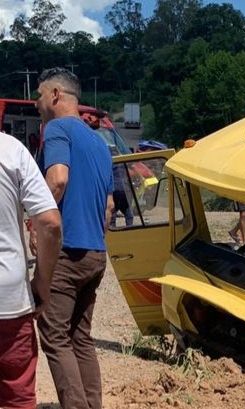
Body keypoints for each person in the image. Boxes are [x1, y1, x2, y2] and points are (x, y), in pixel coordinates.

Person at [33, 67, 114, 409]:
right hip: (96, 252)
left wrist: (35, 223)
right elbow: (109, 205)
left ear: (55, 95)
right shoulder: (99, 142)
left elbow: (58, 180)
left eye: (38, 95)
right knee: (80, 337)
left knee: (53, 335)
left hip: (67, 252)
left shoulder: (56, 129)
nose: (36, 102)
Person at [0, 132, 61, 408]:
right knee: (17, 398)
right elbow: (49, 222)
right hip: (9, 301)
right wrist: (42, 282)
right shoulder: (11, 150)